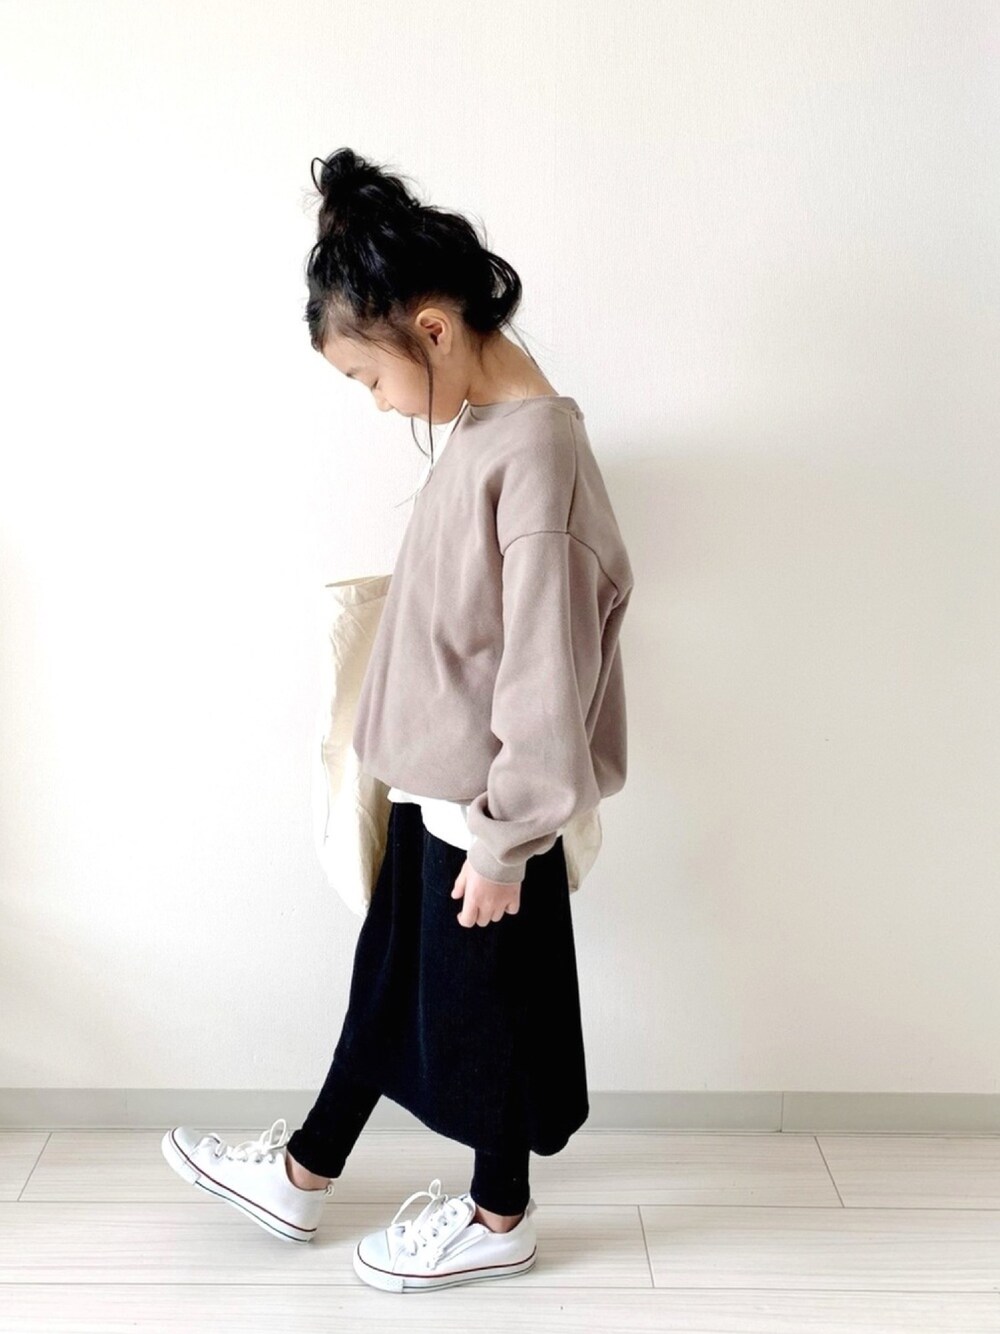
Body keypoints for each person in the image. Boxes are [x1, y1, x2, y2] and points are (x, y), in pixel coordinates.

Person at [162, 147, 634, 1294]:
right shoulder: (483, 427)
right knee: (388, 990)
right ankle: (303, 1170)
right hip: (438, 786)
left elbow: (545, 659)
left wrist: (505, 839)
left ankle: (498, 1212)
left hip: (484, 806)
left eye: (367, 378)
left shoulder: (533, 449)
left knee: (487, 1014)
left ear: (431, 328)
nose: (376, 403)